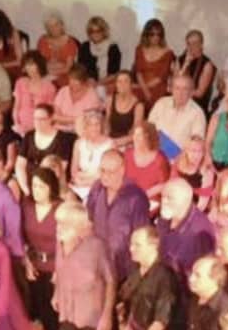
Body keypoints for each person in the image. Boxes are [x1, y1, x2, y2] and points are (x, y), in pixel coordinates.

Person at [86, 149, 151, 282]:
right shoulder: (97, 188)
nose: (105, 176)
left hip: (124, 269)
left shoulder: (136, 197)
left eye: (110, 172)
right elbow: (89, 220)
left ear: (121, 170)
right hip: (99, 263)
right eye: (102, 170)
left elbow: (142, 235)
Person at [21, 166, 62, 330]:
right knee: (38, 303)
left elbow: (65, 243)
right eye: (34, 186)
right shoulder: (27, 206)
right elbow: (21, 236)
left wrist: (59, 271)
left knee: (53, 307)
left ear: (51, 187)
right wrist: (27, 262)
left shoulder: (60, 208)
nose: (37, 191)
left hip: (56, 265)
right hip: (35, 263)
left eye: (42, 187)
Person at [157, 177, 216, 279]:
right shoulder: (166, 215)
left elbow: (197, 275)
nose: (163, 202)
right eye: (162, 196)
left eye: (169, 198)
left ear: (185, 200)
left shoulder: (200, 233)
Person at [15, 102, 75, 196]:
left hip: (50, 187)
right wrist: (25, 188)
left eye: (42, 119)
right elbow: (20, 165)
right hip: (27, 185)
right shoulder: (29, 136)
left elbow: (61, 169)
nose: (37, 122)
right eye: (35, 119)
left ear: (51, 119)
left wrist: (40, 188)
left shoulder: (62, 139)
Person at [147, 73, 206, 159]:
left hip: (178, 160)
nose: (180, 93)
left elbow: (196, 145)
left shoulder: (197, 113)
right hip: (153, 154)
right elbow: (148, 129)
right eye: (177, 88)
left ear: (191, 92)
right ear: (171, 89)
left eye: (185, 89)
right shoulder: (161, 103)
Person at [123, 120, 171, 210]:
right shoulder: (127, 154)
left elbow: (163, 185)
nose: (135, 138)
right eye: (134, 135)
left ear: (148, 138)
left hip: (149, 201)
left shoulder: (160, 159)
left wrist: (144, 195)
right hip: (128, 198)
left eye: (139, 135)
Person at [69, 109, 111, 201]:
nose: (94, 128)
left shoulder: (110, 145)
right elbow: (73, 171)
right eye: (90, 125)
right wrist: (79, 180)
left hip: (101, 187)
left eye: (97, 124)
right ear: (85, 127)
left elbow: (107, 173)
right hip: (80, 186)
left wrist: (87, 182)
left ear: (102, 126)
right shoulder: (78, 143)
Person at [12, 50, 57, 135]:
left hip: (41, 126)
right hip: (21, 128)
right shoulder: (20, 82)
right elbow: (16, 106)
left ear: (39, 65)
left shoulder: (49, 87)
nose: (28, 68)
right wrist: (17, 123)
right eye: (26, 65)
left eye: (32, 64)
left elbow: (50, 111)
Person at [132, 18, 174, 108]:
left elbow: (161, 77)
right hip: (142, 85)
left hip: (158, 88)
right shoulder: (139, 49)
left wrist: (143, 88)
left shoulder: (168, 53)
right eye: (152, 34)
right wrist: (143, 88)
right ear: (146, 35)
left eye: (159, 34)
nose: (156, 37)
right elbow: (138, 72)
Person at [53, 63, 103, 136]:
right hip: (58, 131)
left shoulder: (92, 96)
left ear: (83, 81)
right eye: (71, 79)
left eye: (76, 80)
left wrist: (64, 119)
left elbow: (88, 122)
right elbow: (54, 116)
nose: (72, 83)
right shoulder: (63, 91)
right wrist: (76, 119)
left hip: (80, 134)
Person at [176, 29, 216, 115]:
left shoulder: (207, 64)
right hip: (179, 102)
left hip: (196, 105)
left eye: (195, 43)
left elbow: (199, 93)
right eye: (188, 44)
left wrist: (181, 92)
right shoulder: (180, 60)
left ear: (201, 44)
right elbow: (174, 84)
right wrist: (185, 65)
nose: (191, 47)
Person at [171, 134, 215, 211]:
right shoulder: (178, 163)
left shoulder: (207, 171)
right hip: (179, 203)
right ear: (186, 151)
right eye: (193, 151)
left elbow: (202, 204)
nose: (196, 155)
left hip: (197, 208)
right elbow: (172, 187)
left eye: (200, 151)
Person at [36, 10, 79, 86]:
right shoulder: (42, 40)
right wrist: (47, 73)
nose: (53, 28)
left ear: (62, 25)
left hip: (64, 76)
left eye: (56, 25)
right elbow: (39, 63)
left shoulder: (70, 42)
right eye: (50, 26)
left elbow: (68, 68)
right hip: (45, 74)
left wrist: (53, 73)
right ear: (47, 28)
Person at [78, 15, 122, 85]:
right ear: (89, 33)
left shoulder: (113, 47)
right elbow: (80, 69)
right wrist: (88, 80)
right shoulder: (85, 47)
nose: (95, 34)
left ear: (104, 31)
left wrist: (98, 83)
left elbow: (114, 74)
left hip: (108, 83)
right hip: (88, 83)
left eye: (98, 31)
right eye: (92, 31)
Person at [105, 68, 144, 140]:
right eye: (119, 81)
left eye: (126, 81)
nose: (122, 85)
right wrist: (106, 138)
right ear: (116, 84)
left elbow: (135, 131)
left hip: (127, 141)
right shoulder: (110, 100)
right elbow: (107, 122)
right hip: (110, 139)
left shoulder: (138, 105)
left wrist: (118, 142)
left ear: (131, 84)